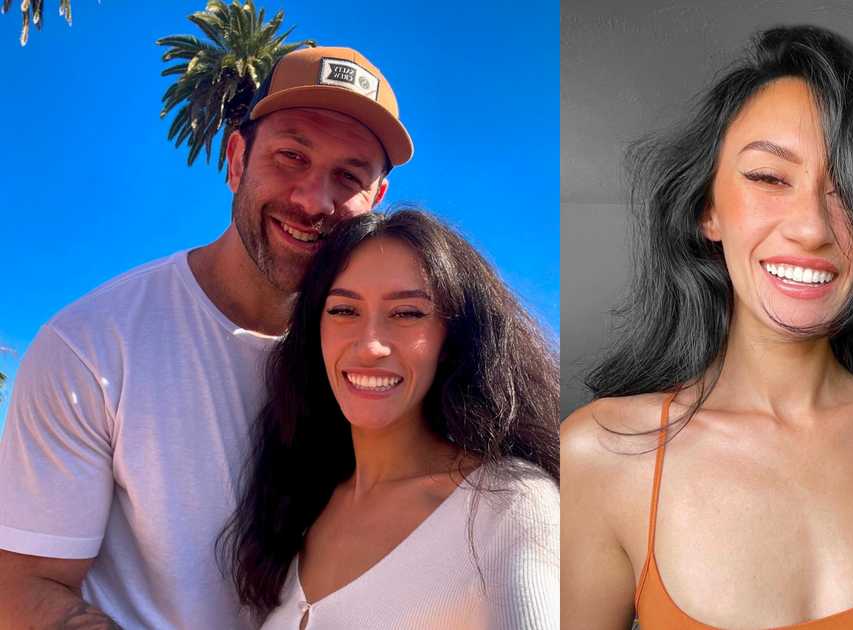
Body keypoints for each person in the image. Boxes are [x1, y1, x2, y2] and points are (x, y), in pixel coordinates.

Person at [561, 25, 853, 630]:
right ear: (707, 209)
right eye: (768, 178)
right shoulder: (600, 453)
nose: (812, 227)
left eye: (851, 192)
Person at [0, 46, 410, 628]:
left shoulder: (387, 367)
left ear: (375, 201)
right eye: (291, 155)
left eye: (348, 176)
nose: (313, 200)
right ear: (237, 158)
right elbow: (24, 586)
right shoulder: (92, 345)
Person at [219, 209, 560, 628]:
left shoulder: (508, 502)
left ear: (452, 337)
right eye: (344, 310)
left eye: (407, 313)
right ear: (315, 332)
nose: (370, 345)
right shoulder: (300, 507)